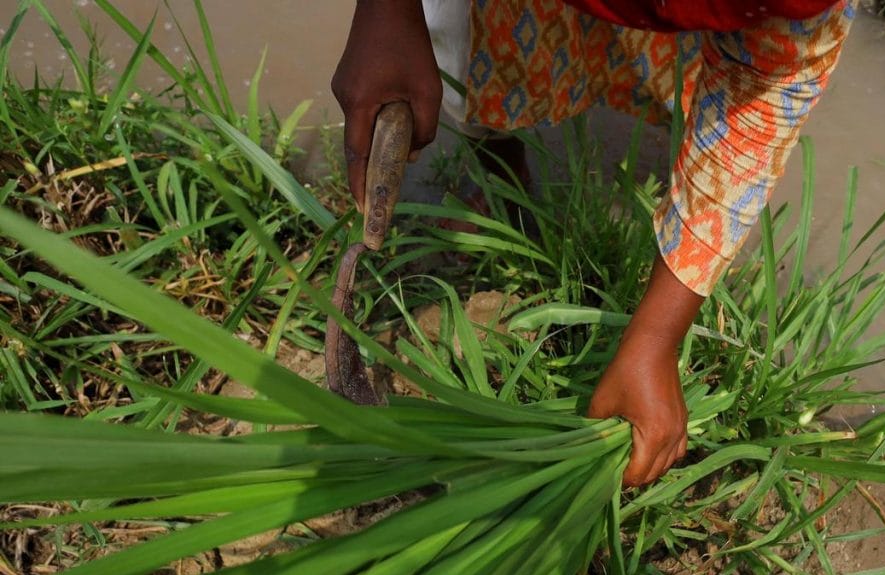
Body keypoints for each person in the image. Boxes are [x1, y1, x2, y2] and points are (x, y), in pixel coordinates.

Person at [332, 0, 855, 487]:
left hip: (727, 21)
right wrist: (389, 14)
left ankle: (669, 142)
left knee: (706, 98)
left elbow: (761, 101)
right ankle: (504, 182)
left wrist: (655, 338)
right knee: (476, 52)